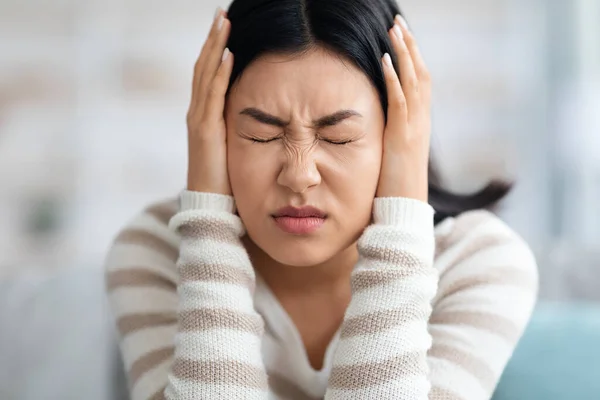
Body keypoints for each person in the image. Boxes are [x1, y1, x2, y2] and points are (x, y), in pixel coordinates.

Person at [104, 0, 538, 399]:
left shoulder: (479, 262)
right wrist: (207, 232)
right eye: (262, 134)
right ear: (211, 129)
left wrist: (400, 227)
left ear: (402, 133)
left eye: (339, 137)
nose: (299, 176)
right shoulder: (155, 252)